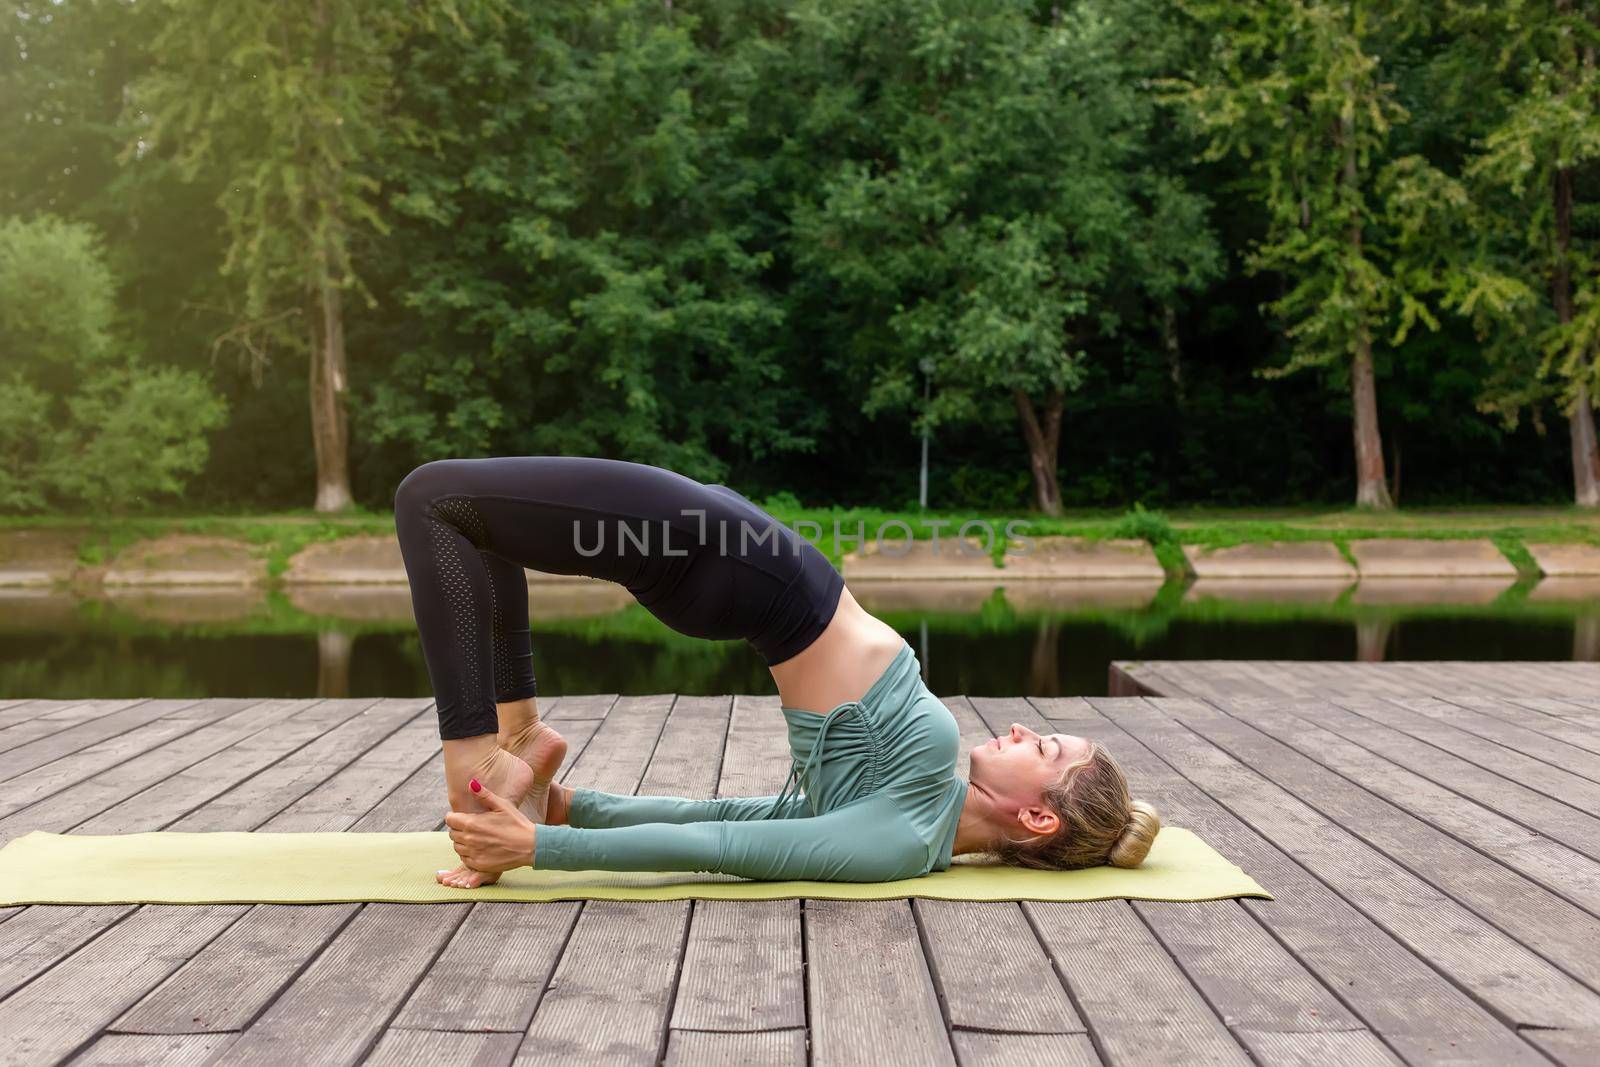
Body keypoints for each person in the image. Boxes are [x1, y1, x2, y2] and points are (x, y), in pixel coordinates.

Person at [393, 456, 1160, 887]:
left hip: (725, 557)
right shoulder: (919, 811)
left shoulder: (902, 837)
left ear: (1038, 818)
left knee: (434, 500)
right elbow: (736, 818)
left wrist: (534, 850)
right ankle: (520, 740)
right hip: (733, 562)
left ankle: (483, 758)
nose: (1024, 729)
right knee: (477, 524)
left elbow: (727, 845)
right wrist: (567, 811)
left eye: (1046, 749)